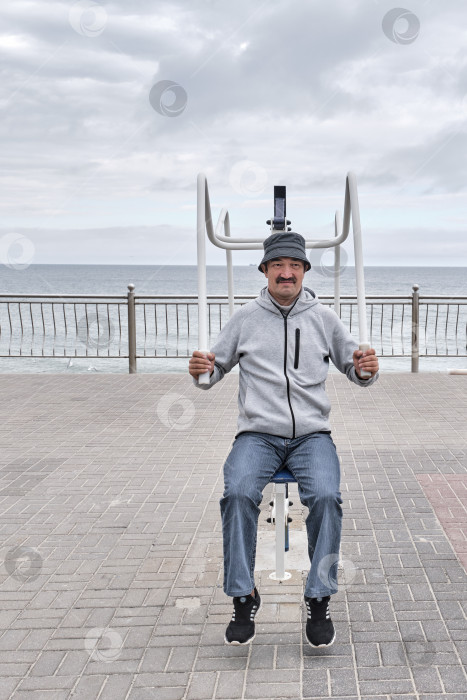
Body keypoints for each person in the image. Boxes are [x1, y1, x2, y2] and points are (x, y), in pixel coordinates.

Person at [188, 231, 379, 648]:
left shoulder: (324, 318)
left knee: (327, 497)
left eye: (294, 265)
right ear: (265, 271)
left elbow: (357, 370)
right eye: (277, 266)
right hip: (258, 435)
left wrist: (366, 368)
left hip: (312, 435)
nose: (286, 273)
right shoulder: (245, 319)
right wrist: (201, 368)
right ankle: (242, 594)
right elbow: (211, 373)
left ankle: (319, 595)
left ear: (305, 270)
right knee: (237, 493)